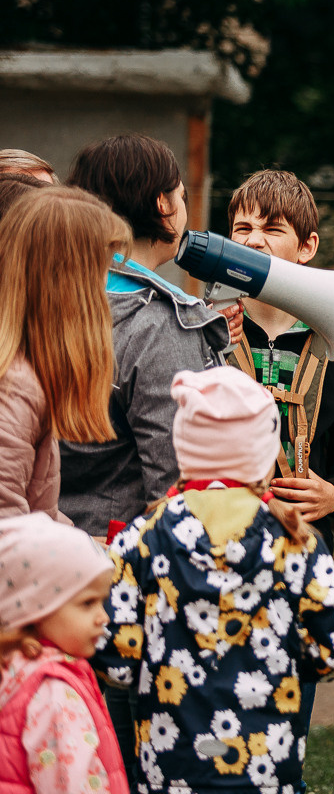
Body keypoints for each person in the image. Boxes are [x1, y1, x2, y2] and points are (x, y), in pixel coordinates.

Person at [92, 366, 334, 794]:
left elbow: (110, 648)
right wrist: (298, 659)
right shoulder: (294, 539)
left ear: (184, 447)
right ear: (263, 454)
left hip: (175, 767)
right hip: (267, 767)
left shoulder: (144, 536)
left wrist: (145, 664)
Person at [60, 133, 237, 536]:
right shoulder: (160, 324)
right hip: (121, 567)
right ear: (163, 204)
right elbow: (179, 489)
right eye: (181, 196)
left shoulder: (46, 298)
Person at [224, 169, 334, 548]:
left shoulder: (332, 344)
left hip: (304, 551)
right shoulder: (207, 331)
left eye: (273, 229)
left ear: (307, 247)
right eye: (243, 228)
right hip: (219, 544)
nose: (254, 240)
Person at [0, 187, 125, 522]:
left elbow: (37, 518)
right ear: (71, 281)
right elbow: (9, 540)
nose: (107, 289)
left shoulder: (26, 375)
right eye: (102, 270)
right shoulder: (14, 391)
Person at [0, 512, 131, 794]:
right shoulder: (54, 693)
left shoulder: (12, 666)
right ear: (35, 606)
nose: (104, 617)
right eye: (87, 604)